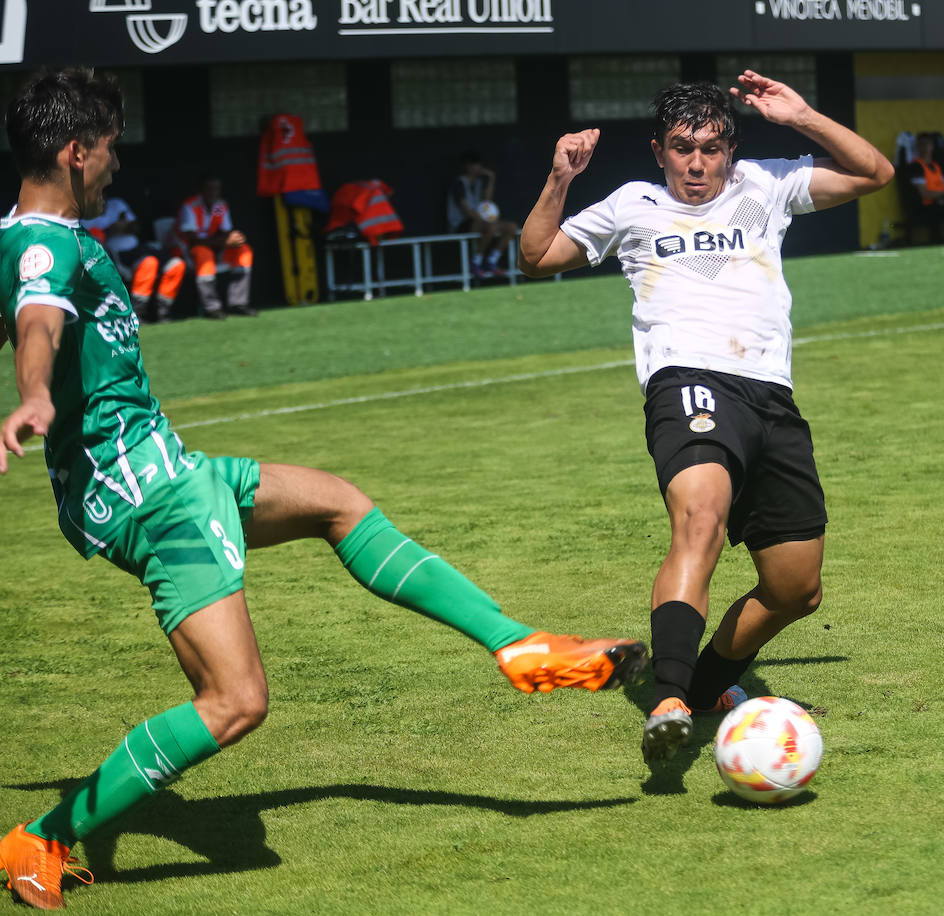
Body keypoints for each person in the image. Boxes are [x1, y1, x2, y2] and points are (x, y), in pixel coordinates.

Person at [0, 67, 647, 911]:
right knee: (234, 704)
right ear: (74, 151)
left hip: (174, 473)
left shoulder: (47, 232)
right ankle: (42, 838)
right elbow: (37, 319)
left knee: (339, 501)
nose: (119, 161)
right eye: (111, 146)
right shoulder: (42, 243)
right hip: (151, 502)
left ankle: (517, 646)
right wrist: (36, 393)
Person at [517, 72, 892, 764]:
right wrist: (559, 178)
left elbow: (875, 173)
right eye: (684, 148)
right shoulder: (632, 205)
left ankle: (705, 686)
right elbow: (536, 257)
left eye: (713, 149)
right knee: (701, 519)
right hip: (686, 381)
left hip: (772, 399)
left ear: (731, 150)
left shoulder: (765, 185)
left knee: (796, 588)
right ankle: (666, 696)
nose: (698, 164)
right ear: (659, 150)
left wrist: (804, 115)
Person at [83, 193, 185, 322]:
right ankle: (139, 313)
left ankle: (164, 312)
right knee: (149, 263)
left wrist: (127, 226)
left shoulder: (117, 204)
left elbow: (137, 228)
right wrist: (111, 229)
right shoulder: (84, 213)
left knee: (176, 264)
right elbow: (91, 244)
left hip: (138, 247)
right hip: (116, 254)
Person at [178, 174, 255, 318]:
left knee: (243, 250)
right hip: (188, 251)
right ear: (201, 190)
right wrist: (224, 241)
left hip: (215, 247)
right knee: (203, 253)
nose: (213, 193)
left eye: (217, 189)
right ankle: (212, 307)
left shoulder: (219, 206)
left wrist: (233, 238)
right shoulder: (191, 206)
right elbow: (192, 240)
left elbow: (226, 231)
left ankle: (238, 303)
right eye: (210, 189)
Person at [446, 150, 519, 279]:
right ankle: (476, 262)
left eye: (479, 164)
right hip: (462, 223)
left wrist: (491, 178)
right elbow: (466, 210)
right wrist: (488, 222)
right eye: (474, 164)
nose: (477, 168)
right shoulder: (459, 183)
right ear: (467, 166)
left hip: (481, 221)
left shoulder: (479, 182)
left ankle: (492, 260)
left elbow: (487, 203)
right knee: (491, 227)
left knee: (511, 227)